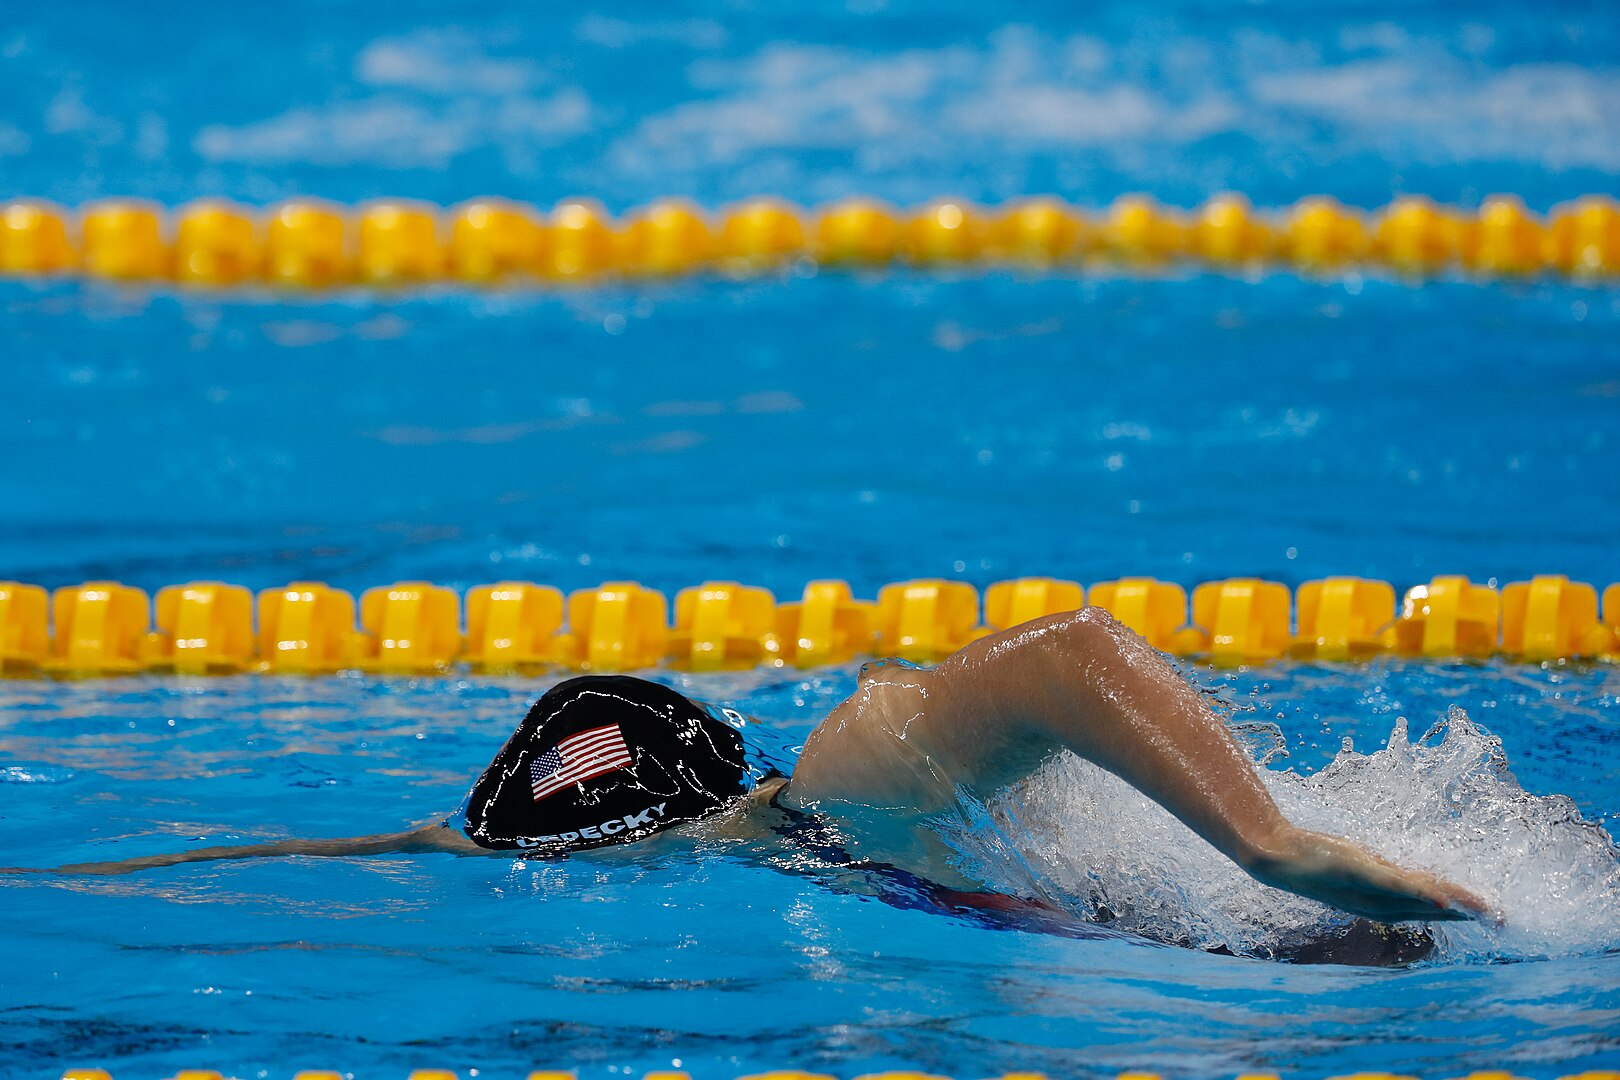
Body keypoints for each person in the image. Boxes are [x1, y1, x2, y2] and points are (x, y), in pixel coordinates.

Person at [36, 608, 1487, 954]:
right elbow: (413, 842)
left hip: (1429, 862)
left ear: (648, 828)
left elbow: (1078, 650)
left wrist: (1267, 839)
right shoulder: (696, 836)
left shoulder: (861, 773)